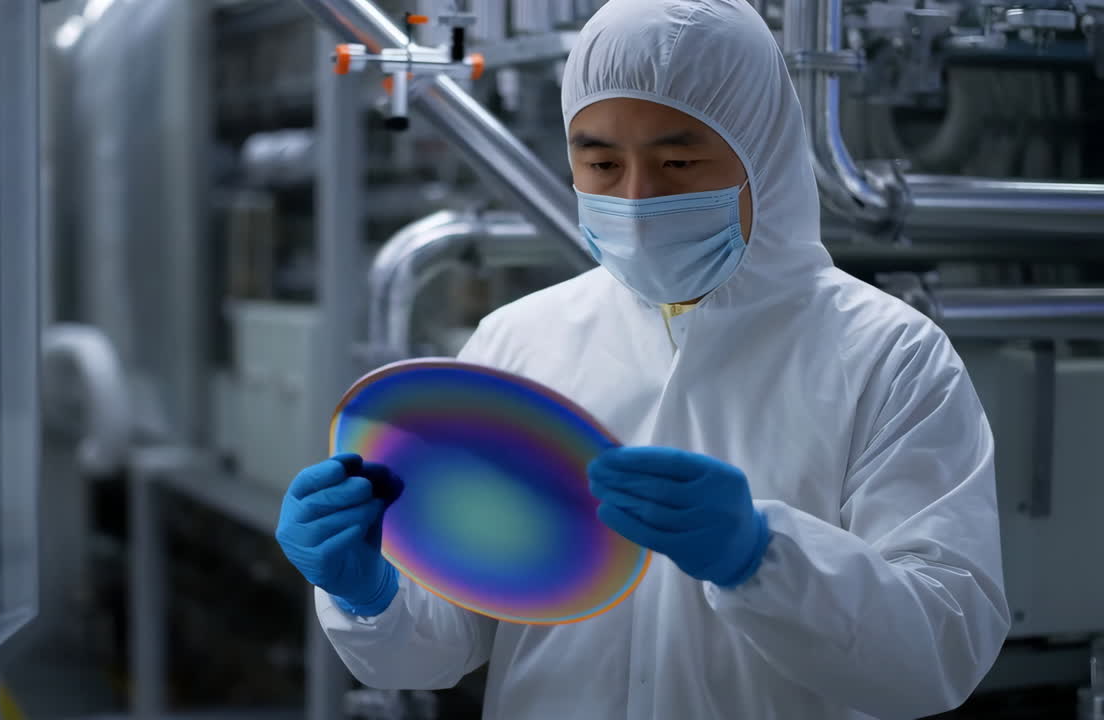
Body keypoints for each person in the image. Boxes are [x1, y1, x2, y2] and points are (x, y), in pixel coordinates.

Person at [274, 0, 1011, 716]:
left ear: (766, 156)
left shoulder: (887, 356)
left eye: (679, 160)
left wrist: (766, 556)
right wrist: (368, 590)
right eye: (599, 163)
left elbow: (942, 652)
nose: (635, 198)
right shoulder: (519, 341)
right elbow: (449, 639)